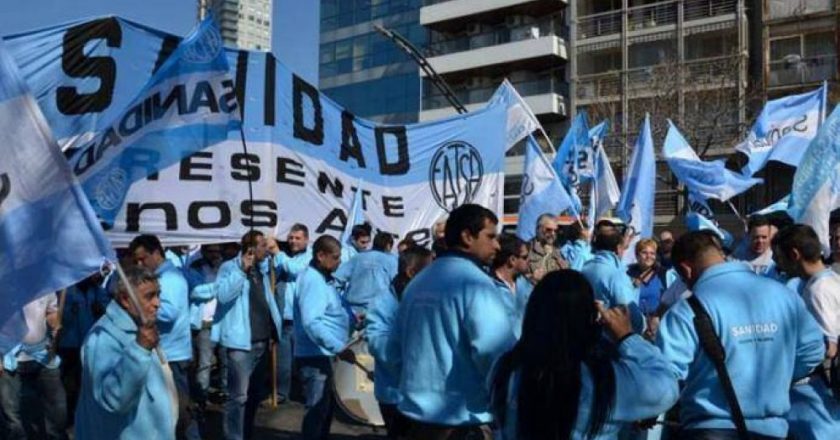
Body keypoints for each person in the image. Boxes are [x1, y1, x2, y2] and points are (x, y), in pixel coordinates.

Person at [656, 231, 825, 439]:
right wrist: (776, 378)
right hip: (773, 430)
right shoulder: (785, 295)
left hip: (709, 428)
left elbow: (664, 378)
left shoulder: (686, 310)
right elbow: (813, 352)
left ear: (686, 270)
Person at [491, 270, 679, 439]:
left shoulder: (505, 368)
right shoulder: (602, 379)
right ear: (588, 318)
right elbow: (666, 387)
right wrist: (627, 337)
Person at [394, 204, 512, 439]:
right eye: (490, 237)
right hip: (460, 423)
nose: (497, 245)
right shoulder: (476, 285)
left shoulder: (418, 283)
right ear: (467, 236)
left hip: (415, 419)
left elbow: (399, 344)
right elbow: (497, 354)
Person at [75, 266, 174, 439]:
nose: (157, 303)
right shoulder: (103, 338)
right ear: (126, 300)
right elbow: (114, 399)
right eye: (149, 296)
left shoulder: (141, 329)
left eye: (158, 294)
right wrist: (139, 350)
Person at [214, 230, 284, 440]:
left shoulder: (261, 271)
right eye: (263, 245)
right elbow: (223, 295)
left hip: (262, 342)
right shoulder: (230, 267)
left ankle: (247, 433)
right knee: (238, 397)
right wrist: (241, 270)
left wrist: (274, 331)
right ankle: (234, 436)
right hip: (241, 345)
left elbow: (266, 302)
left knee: (253, 396)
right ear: (251, 248)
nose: (267, 248)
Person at [771, 225, 840, 439]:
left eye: (778, 257)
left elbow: (829, 347)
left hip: (821, 391)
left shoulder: (817, 290)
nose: (777, 263)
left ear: (794, 255)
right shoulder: (831, 280)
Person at [129, 234, 197, 440]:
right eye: (136, 261)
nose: (140, 264)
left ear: (157, 253)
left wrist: (139, 305)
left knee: (181, 412)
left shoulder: (171, 278)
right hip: (164, 353)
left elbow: (169, 312)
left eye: (143, 259)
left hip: (173, 356)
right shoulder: (160, 277)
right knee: (167, 411)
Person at [366, 245, 434, 439]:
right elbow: (377, 343)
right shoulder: (383, 303)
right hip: (395, 395)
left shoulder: (426, 300)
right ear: (411, 272)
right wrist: (414, 356)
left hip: (424, 394)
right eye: (428, 271)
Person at [294, 235, 353, 440]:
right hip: (315, 356)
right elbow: (312, 322)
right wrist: (338, 347)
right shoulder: (313, 280)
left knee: (324, 411)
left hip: (323, 354)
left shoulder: (322, 278)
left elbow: (329, 312)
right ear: (321, 256)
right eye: (336, 258)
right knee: (316, 412)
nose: (339, 262)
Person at [0, 295, 68, 440]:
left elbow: (51, 312)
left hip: (43, 353)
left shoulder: (45, 284)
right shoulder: (4, 284)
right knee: (11, 413)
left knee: (58, 407)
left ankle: (55, 436)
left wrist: (55, 323)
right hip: (8, 356)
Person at [267, 223, 312, 403]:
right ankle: (281, 393)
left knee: (303, 360)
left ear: (306, 239)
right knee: (283, 360)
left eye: (297, 238)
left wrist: (278, 252)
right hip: (283, 317)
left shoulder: (309, 257)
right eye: (291, 238)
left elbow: (294, 269)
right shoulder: (284, 257)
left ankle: (307, 394)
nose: (293, 241)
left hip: (300, 318)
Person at [57, 274, 109, 425]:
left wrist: (100, 308)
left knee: (86, 382)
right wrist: (68, 312)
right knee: (69, 384)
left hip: (90, 343)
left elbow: (107, 307)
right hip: (69, 344)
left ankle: (86, 415)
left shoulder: (96, 290)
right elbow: (59, 317)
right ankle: (69, 417)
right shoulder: (67, 291)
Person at [581, 220, 645, 334]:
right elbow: (632, 316)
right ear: (618, 248)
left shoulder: (585, 267)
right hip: (613, 339)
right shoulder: (616, 274)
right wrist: (643, 324)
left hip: (589, 335)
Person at [185, 244, 225, 416]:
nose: (215, 255)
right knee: (203, 363)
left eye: (217, 251)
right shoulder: (195, 268)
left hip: (220, 321)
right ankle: (200, 398)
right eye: (211, 251)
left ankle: (221, 391)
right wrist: (220, 287)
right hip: (202, 322)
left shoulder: (225, 267)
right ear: (203, 251)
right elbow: (196, 292)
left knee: (222, 359)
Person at [335, 232, 398, 315]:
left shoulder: (358, 257)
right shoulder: (392, 261)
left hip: (353, 310)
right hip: (379, 311)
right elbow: (397, 286)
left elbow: (337, 279)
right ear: (388, 246)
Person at [627, 239, 674, 339]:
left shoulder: (664, 274)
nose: (649, 256)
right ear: (637, 255)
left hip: (656, 328)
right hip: (633, 327)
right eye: (644, 252)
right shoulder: (627, 273)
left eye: (652, 253)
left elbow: (671, 300)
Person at [491, 233, 534, 339]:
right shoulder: (489, 287)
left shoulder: (524, 283)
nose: (529, 260)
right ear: (512, 260)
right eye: (525, 257)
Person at [527, 214, 568, 283]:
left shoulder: (558, 252)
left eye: (555, 231)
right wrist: (532, 278)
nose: (553, 234)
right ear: (538, 229)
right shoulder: (527, 250)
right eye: (548, 230)